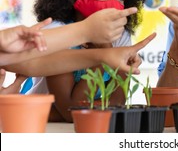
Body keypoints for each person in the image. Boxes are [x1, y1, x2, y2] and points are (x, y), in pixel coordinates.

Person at [24, 0, 155, 122]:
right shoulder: (57, 34)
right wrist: (105, 55)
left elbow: (116, 105)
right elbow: (72, 112)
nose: (113, 3)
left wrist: (107, 48)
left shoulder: (121, 37)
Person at [0, 13, 156, 94]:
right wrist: (86, 31)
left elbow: (30, 63)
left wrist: (105, 55)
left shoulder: (121, 37)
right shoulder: (59, 26)